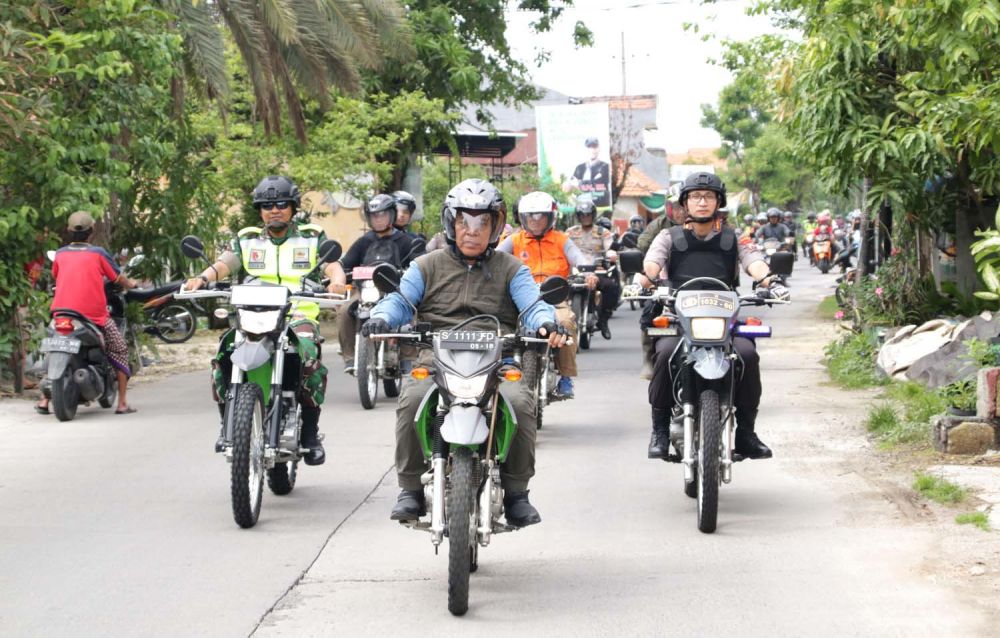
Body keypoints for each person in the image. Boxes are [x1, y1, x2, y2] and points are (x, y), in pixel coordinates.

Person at [363, 178, 566, 526]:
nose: (472, 231)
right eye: (464, 221)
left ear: (495, 226)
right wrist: (381, 318)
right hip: (435, 357)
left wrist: (547, 323)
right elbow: (400, 299)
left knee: (520, 402)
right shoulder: (426, 265)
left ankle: (518, 493)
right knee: (412, 400)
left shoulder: (511, 268)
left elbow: (533, 305)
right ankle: (409, 488)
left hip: (496, 358)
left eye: (481, 222)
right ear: (450, 223)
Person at [184, 176, 338, 464]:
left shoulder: (312, 236)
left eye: (281, 204)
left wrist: (337, 282)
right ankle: (227, 425)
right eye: (267, 205)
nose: (274, 210)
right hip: (253, 312)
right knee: (225, 354)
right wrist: (202, 278)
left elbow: (332, 265)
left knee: (308, 356)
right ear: (260, 210)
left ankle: (310, 434)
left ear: (292, 208)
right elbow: (225, 263)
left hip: (299, 312)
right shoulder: (247, 238)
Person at [641, 172, 789, 461]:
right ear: (685, 203)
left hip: (725, 319)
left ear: (718, 202)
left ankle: (746, 432)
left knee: (747, 354)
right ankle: (659, 430)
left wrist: (772, 282)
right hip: (679, 318)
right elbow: (651, 264)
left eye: (708, 196)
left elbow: (754, 262)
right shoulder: (667, 236)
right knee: (665, 353)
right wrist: (642, 280)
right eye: (695, 196)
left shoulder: (734, 237)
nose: (702, 201)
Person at [36, 212, 138, 415]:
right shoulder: (98, 253)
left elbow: (58, 275)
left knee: (53, 347)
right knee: (119, 350)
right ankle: (123, 403)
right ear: (91, 232)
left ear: (68, 230)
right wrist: (131, 284)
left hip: (61, 315)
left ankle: (43, 401)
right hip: (94, 317)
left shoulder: (61, 254)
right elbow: (118, 278)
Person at [497, 191, 595, 399]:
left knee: (566, 323)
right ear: (522, 218)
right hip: (520, 300)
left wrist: (588, 271)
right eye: (530, 215)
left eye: (540, 215)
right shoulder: (513, 241)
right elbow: (494, 259)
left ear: (550, 217)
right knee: (501, 325)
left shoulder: (562, 240)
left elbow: (578, 258)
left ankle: (566, 378)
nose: (535, 220)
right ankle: (504, 362)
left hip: (555, 297)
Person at [328, 193, 419, 373]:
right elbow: (343, 264)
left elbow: (419, 264)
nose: (378, 220)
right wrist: (337, 278)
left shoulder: (405, 241)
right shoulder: (364, 242)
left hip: (395, 291)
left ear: (392, 215)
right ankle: (350, 358)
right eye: (374, 216)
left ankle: (408, 358)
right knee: (345, 310)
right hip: (364, 290)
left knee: (412, 312)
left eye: (382, 215)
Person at [566, 196, 619, 339]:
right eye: (582, 215)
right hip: (575, 271)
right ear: (578, 216)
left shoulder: (603, 232)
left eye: (588, 215)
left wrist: (611, 254)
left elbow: (610, 247)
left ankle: (603, 320)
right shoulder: (569, 232)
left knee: (612, 288)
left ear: (593, 215)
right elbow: (561, 247)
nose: (585, 218)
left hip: (596, 270)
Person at [563, 137, 611, 206]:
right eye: (589, 147)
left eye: (595, 147)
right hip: (582, 207)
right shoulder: (579, 168)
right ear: (585, 150)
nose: (592, 150)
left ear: (599, 149)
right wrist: (568, 184)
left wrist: (578, 184)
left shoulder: (605, 166)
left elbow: (595, 182)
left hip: (600, 206)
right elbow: (571, 183)